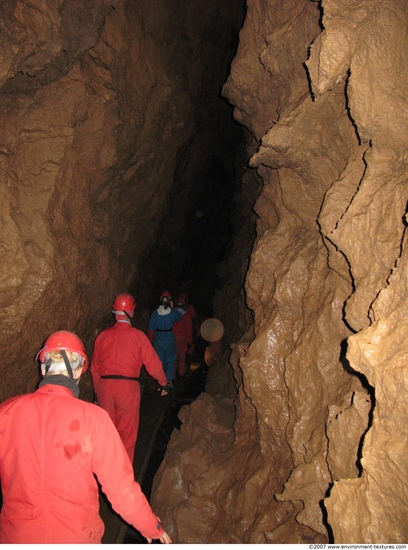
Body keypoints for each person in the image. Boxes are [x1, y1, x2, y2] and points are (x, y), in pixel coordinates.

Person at [0, 330, 171, 544]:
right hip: (76, 537)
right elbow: (121, 490)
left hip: (15, 537)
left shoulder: (5, 412)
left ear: (43, 368)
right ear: (79, 370)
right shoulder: (94, 419)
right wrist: (150, 526)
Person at [91, 293, 168, 463]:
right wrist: (163, 383)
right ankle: (122, 480)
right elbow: (153, 364)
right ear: (131, 312)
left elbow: (94, 368)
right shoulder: (137, 336)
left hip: (105, 387)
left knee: (106, 433)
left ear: (114, 311)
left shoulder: (102, 336)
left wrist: (97, 393)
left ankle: (104, 473)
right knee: (127, 435)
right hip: (127, 388)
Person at [148, 290, 182, 391]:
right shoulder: (172, 313)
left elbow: (151, 327)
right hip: (169, 338)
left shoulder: (155, 313)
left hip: (158, 338)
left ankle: (160, 382)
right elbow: (179, 317)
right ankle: (169, 381)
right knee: (170, 360)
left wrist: (150, 340)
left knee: (159, 361)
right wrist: (173, 308)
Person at [172, 296, 193, 379]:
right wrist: (190, 342)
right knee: (182, 357)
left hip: (172, 338)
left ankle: (172, 375)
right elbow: (189, 330)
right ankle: (181, 374)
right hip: (182, 340)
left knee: (173, 358)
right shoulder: (186, 316)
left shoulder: (172, 315)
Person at [179, 292, 199, 368]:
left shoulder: (187, 308)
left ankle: (184, 366)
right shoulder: (189, 308)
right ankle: (185, 366)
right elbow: (194, 319)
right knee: (188, 348)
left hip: (183, 331)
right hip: (185, 331)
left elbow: (194, 319)